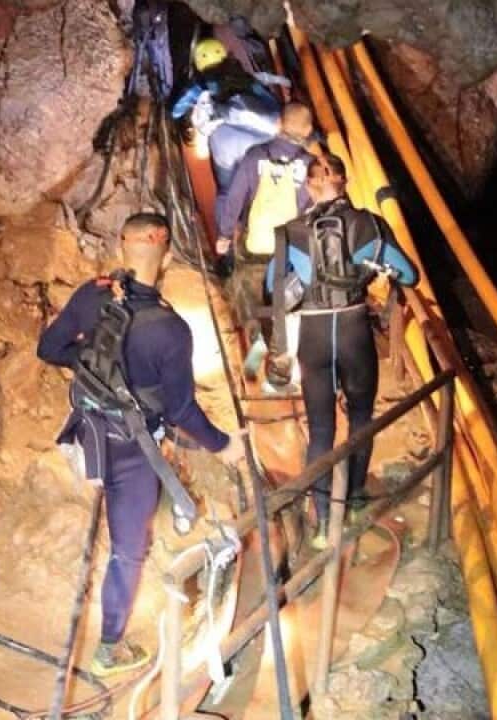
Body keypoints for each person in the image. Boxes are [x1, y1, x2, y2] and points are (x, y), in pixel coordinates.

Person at [37, 212, 245, 677]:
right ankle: (109, 647)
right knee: (128, 549)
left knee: (119, 506)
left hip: (86, 435)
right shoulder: (171, 329)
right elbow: (181, 411)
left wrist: (90, 366)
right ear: (167, 256)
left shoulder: (91, 294)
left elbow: (49, 349)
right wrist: (223, 445)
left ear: (120, 248)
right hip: (133, 454)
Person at [265, 155, 419, 548]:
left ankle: (321, 523)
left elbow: (273, 286)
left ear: (309, 185)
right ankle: (350, 502)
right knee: (361, 419)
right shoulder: (369, 224)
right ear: (345, 181)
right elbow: (409, 274)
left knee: (320, 429)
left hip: (313, 336)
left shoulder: (289, 232)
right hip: (353, 331)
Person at [218, 103, 318, 395]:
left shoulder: (255, 156)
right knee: (285, 307)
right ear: (309, 131)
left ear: (279, 124)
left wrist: (225, 233)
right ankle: (279, 372)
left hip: (255, 243)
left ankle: (253, 358)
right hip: (289, 248)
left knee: (251, 300)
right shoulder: (312, 165)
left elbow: (235, 197)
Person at [171, 39, 287, 203]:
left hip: (230, 143)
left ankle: (233, 215)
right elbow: (271, 102)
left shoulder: (201, 85)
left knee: (228, 188)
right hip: (265, 134)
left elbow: (176, 111)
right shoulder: (246, 78)